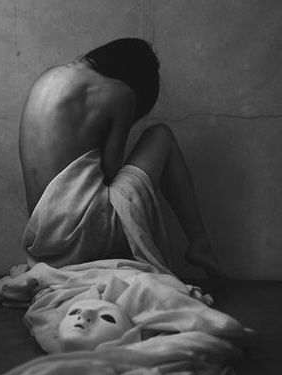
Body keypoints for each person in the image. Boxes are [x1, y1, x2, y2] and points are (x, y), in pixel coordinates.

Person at [19, 37, 224, 280]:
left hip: (43, 241)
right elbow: (109, 173)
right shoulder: (121, 93)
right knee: (161, 135)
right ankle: (200, 243)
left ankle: (200, 245)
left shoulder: (46, 78)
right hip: (82, 237)